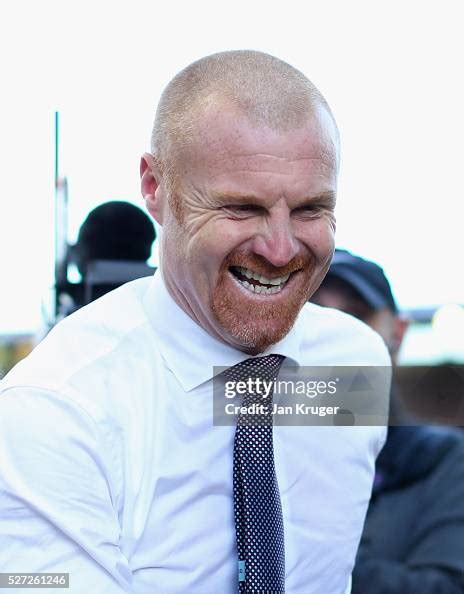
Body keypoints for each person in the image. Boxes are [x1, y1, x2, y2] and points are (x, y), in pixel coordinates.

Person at [0, 51, 390, 594]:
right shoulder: (56, 412)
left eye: (309, 210)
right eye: (240, 209)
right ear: (155, 187)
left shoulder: (353, 363)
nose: (280, 250)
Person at [311, 249, 464, 594]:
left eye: (356, 316)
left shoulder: (444, 459)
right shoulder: (252, 447)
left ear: (398, 332)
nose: (335, 332)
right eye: (314, 314)